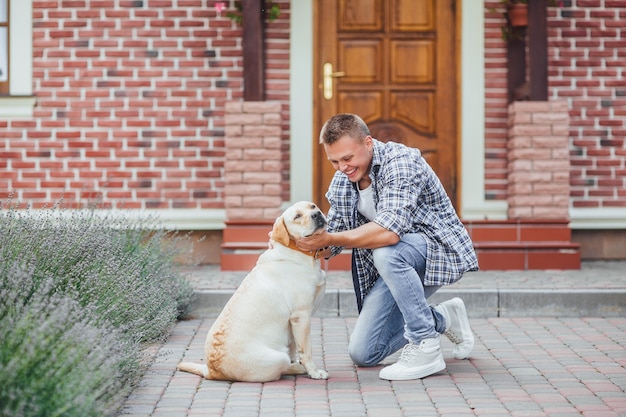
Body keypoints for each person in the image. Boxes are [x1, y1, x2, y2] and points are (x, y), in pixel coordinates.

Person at [296, 113, 479, 381]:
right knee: (364, 352)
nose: (342, 167)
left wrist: (331, 240)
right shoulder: (343, 181)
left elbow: (389, 232)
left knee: (387, 250)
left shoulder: (401, 162)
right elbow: (332, 241)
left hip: (435, 250)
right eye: (334, 161)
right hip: (394, 264)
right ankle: (442, 318)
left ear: (368, 143)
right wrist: (307, 241)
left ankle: (426, 344)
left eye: (347, 158)